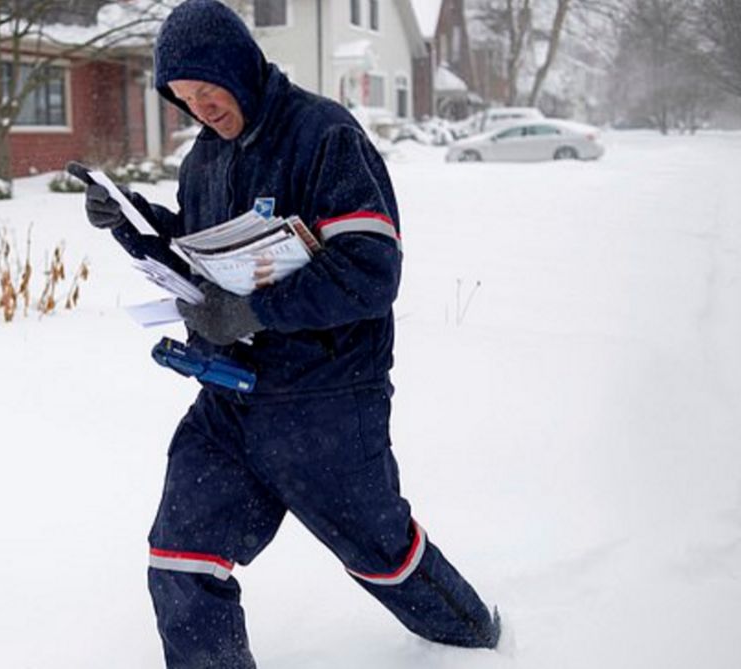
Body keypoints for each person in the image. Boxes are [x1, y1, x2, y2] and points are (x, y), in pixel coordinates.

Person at [79, 1, 500, 666]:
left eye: (207, 87)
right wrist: (131, 221)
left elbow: (370, 269)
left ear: (236, 65)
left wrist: (255, 311)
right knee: (180, 557)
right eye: (184, 99)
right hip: (231, 400)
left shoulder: (323, 137)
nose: (201, 108)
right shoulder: (204, 161)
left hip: (327, 402)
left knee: (382, 555)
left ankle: (479, 638)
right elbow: (203, 257)